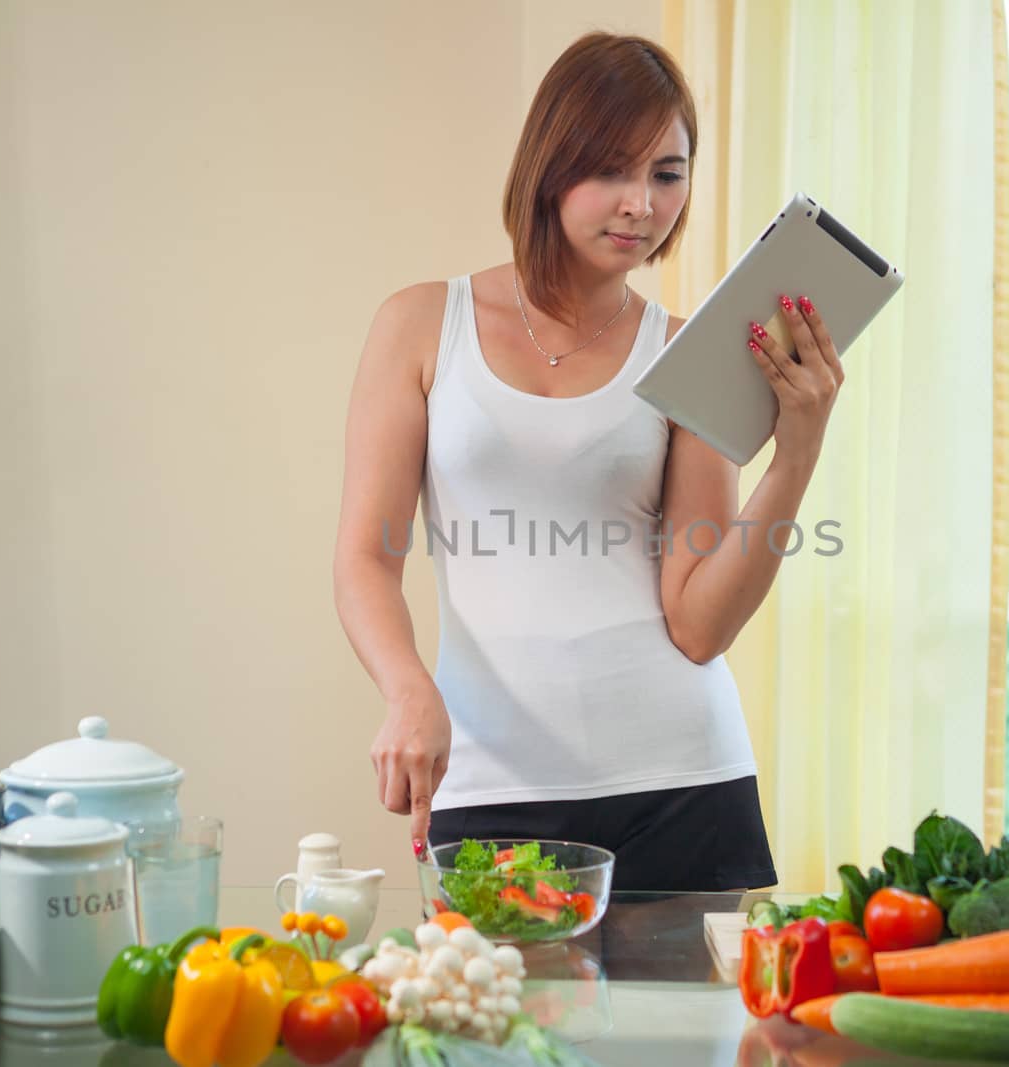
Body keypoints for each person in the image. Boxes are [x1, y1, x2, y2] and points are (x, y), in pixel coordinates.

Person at [332, 32, 844, 892]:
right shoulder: (423, 324)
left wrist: (796, 455)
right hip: (492, 782)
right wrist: (408, 688)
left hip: (683, 784)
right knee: (493, 1028)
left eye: (667, 174)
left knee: (702, 1035)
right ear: (550, 166)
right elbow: (365, 558)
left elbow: (698, 625)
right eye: (611, 168)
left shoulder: (689, 354)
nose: (641, 204)